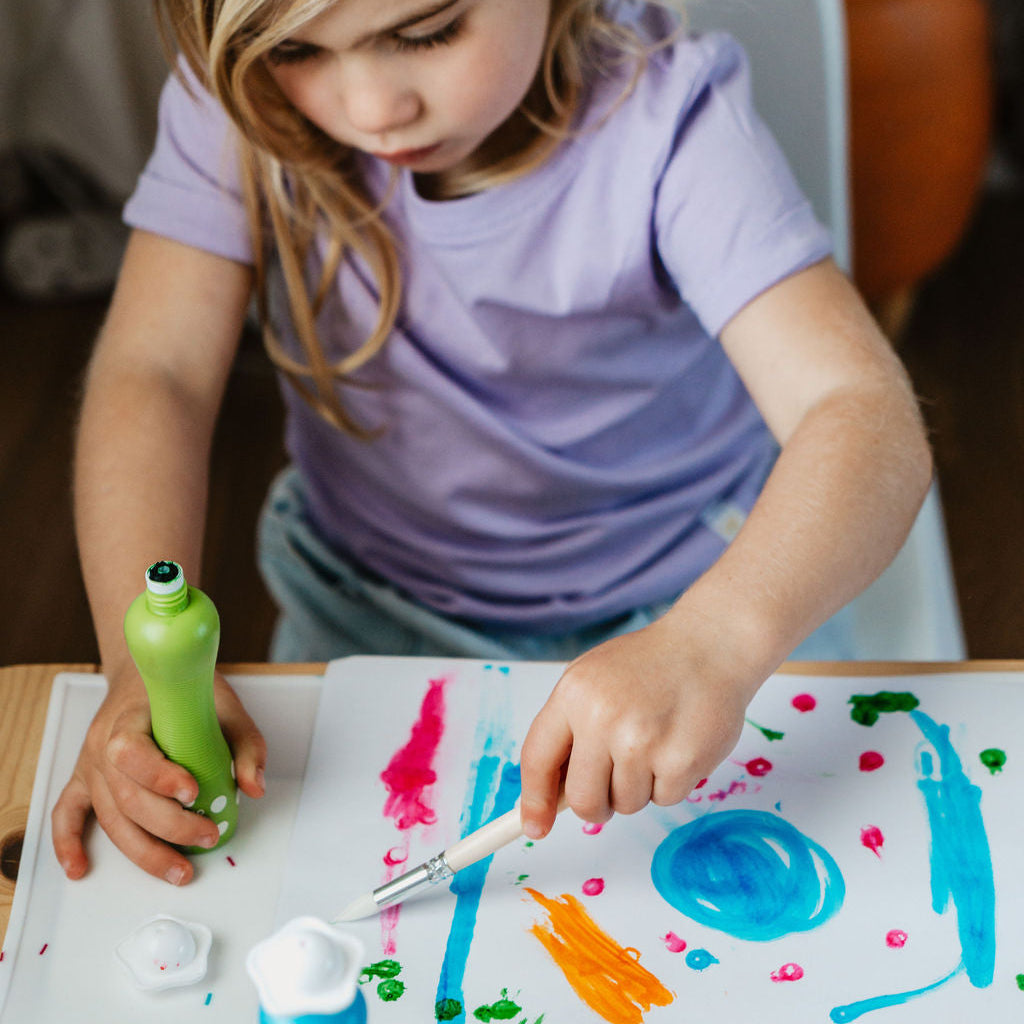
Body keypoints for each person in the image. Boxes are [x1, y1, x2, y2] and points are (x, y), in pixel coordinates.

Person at [52, 0, 933, 888]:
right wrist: (134, 666)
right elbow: (154, 375)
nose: (369, 108)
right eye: (299, 51)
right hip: (365, 608)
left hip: (686, 611)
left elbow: (862, 413)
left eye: (427, 31)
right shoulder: (239, 106)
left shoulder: (670, 120)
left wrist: (713, 641)